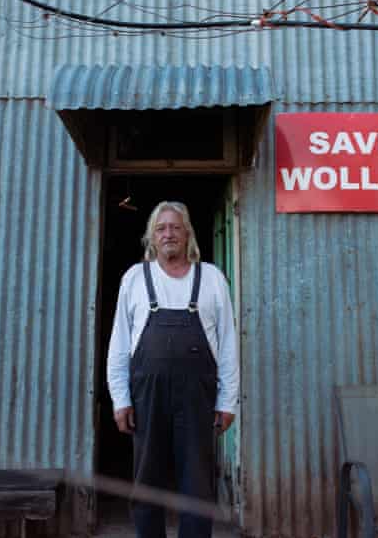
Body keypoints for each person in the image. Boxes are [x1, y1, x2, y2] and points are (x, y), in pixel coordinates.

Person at [107, 200, 240, 538]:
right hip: (146, 396)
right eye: (161, 228)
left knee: (196, 483)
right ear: (152, 237)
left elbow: (227, 345)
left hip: (197, 395)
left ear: (187, 235)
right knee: (147, 481)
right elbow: (119, 344)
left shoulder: (211, 279)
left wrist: (228, 401)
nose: (169, 234)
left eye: (175, 227)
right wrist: (120, 398)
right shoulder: (135, 278)